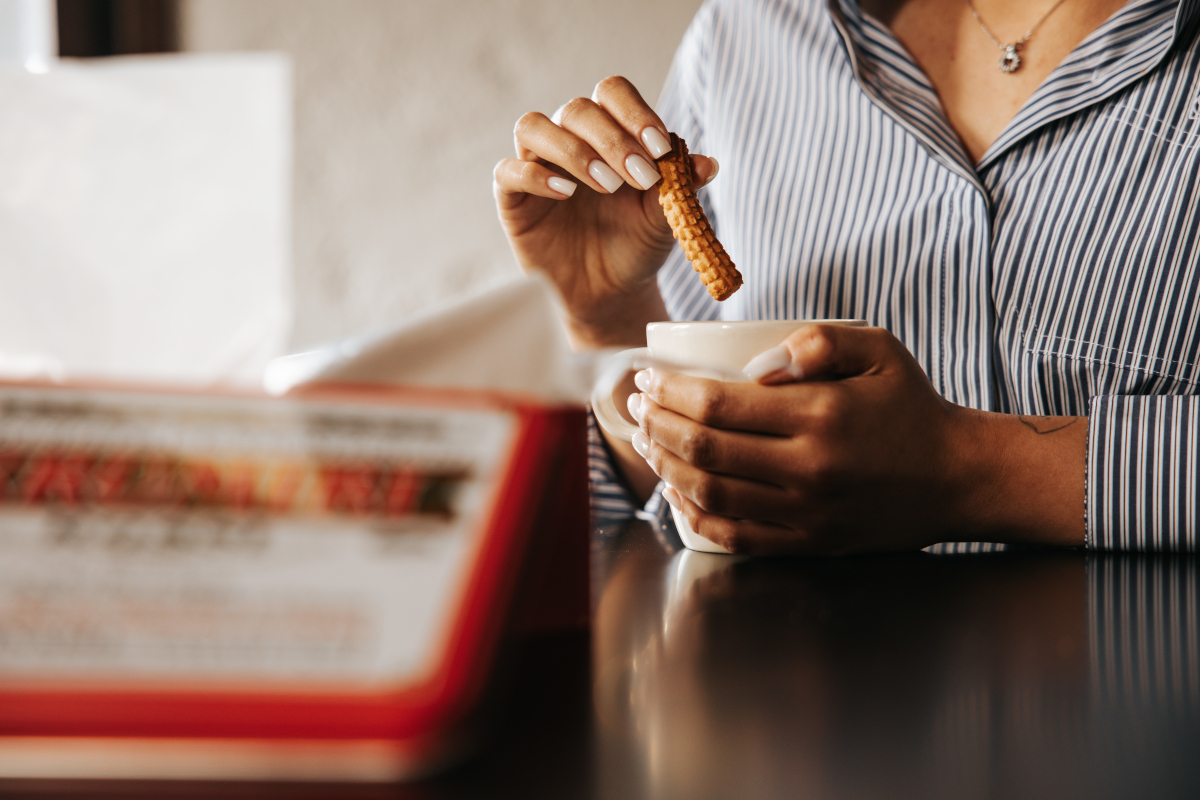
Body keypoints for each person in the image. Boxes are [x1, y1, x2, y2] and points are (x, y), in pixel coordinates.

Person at [493, 0, 1200, 554]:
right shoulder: (744, 34)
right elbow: (668, 492)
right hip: (796, 715)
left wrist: (965, 470)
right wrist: (610, 320)